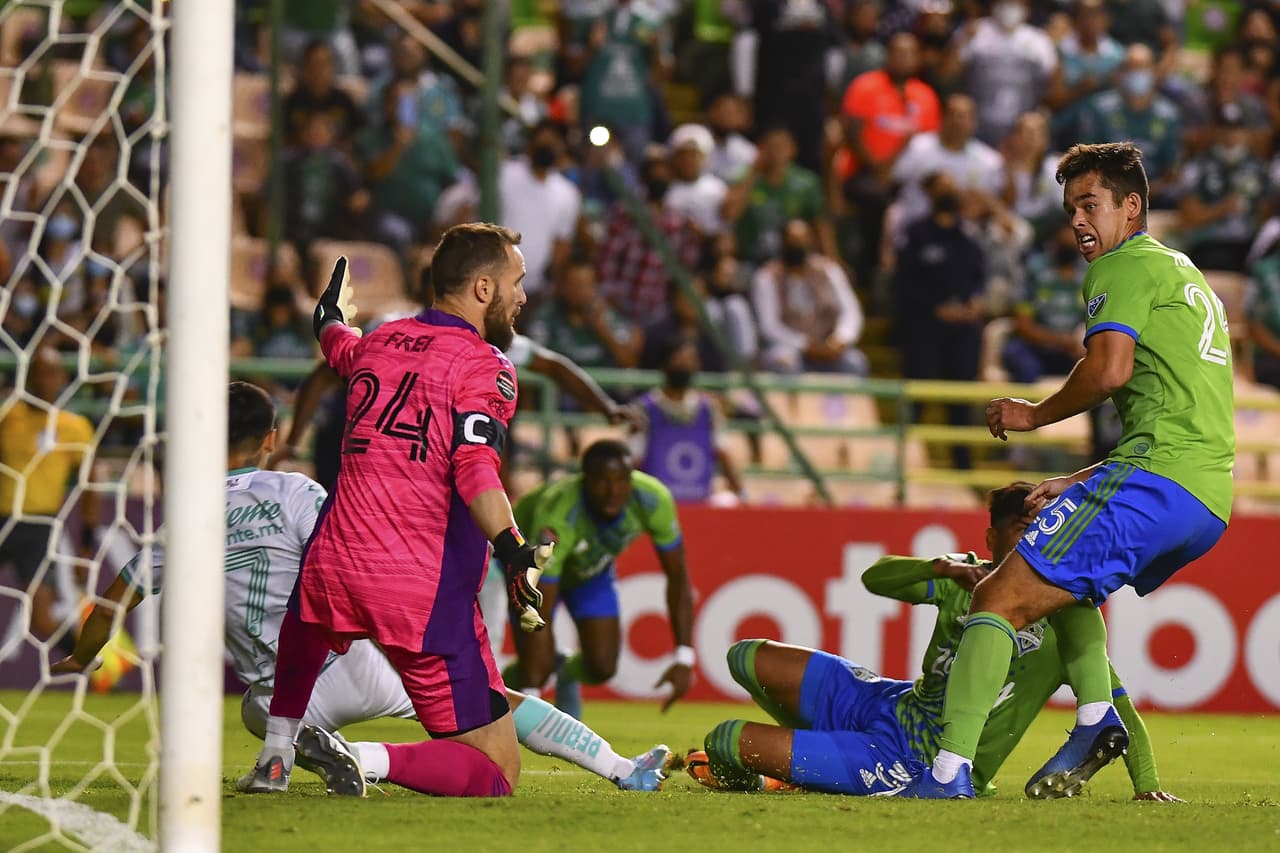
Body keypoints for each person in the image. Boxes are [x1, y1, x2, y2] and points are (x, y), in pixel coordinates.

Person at [55, 381, 671, 793]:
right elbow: (344, 555)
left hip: (279, 698)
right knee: (495, 705)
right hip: (349, 663)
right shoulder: (295, 491)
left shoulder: (182, 518)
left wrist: (83, 656)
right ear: (271, 440)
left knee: (251, 706)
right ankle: (621, 768)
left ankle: (304, 745)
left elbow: (112, 600)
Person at [903, 142, 1234, 798]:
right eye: (1069, 208)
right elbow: (1171, 421)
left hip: (1160, 480)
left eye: (1090, 204)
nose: (1077, 220)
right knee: (1069, 596)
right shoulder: (1182, 272)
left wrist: (1035, 413)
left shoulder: (1122, 266)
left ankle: (948, 775)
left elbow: (1108, 371)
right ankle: (1099, 724)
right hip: (1204, 495)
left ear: (1131, 207)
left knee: (996, 597)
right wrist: (1080, 480)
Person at [241, 223, 547, 800]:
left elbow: (336, 342)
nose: (523, 296)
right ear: (484, 289)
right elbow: (474, 468)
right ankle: (360, 755)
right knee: (496, 773)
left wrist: (329, 315)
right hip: (419, 587)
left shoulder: (379, 342)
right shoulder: (487, 366)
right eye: (516, 281)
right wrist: (512, 547)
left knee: (308, 624)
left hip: (338, 559)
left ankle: (276, 756)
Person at [688, 483, 1178, 801]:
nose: (1037, 539)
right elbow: (875, 579)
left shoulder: (1067, 617)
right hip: (888, 702)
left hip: (916, 759)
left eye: (1047, 529)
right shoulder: (968, 578)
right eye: (1023, 529)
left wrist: (1147, 786)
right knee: (746, 657)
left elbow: (1114, 709)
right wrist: (941, 568)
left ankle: (799, 768)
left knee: (726, 740)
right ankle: (815, 759)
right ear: (991, 539)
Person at [270, 264, 631, 493]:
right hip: (364, 457)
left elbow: (556, 368)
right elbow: (325, 374)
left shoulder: (483, 340)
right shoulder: (393, 329)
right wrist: (296, 437)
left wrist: (607, 407)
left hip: (397, 466)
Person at [504, 440, 695, 719]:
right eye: (602, 482)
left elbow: (677, 577)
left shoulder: (653, 499)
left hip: (589, 572)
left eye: (621, 481)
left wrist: (684, 658)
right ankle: (504, 686)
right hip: (528, 571)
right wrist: (532, 695)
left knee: (602, 666)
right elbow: (536, 602)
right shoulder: (558, 516)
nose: (612, 492)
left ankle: (565, 669)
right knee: (536, 670)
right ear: (584, 481)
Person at [0, 346, 100, 654]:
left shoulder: (75, 427)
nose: (46, 380)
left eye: (53, 373)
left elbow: (90, 487)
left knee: (42, 617)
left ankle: (86, 663)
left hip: (37, 528)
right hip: (2, 518)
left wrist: (86, 542)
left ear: (63, 379)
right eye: (40, 372)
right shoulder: (7, 415)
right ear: (28, 376)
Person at [628, 340, 744, 503]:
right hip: (656, 502)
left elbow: (723, 453)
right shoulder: (644, 409)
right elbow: (633, 460)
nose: (685, 366)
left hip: (700, 500)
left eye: (690, 361)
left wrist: (742, 494)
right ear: (664, 365)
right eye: (679, 360)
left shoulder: (708, 409)